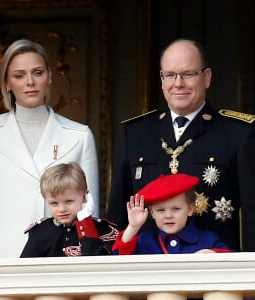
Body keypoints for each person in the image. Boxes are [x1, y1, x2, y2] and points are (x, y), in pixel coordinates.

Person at [0, 39, 99, 259]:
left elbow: (89, 212)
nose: (30, 81)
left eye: (37, 72)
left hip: (58, 263)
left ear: (49, 77)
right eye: (19, 75)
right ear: (7, 83)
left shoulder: (80, 136)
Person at [107, 38, 255, 251]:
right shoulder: (136, 133)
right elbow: (117, 215)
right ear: (161, 79)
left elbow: (252, 214)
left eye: (188, 74)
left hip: (214, 271)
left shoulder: (238, 133)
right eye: (170, 75)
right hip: (145, 273)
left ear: (206, 78)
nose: (178, 83)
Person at [112, 173, 231, 255]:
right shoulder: (145, 240)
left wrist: (213, 254)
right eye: (160, 210)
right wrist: (133, 227)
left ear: (190, 209)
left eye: (176, 209)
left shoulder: (207, 239)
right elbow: (117, 260)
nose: (168, 215)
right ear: (152, 213)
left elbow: (233, 261)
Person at [20, 162, 118, 257]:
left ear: (85, 196)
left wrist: (85, 220)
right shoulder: (40, 232)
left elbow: (99, 266)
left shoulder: (104, 229)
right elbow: (24, 270)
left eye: (69, 201)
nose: (62, 209)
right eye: (54, 203)